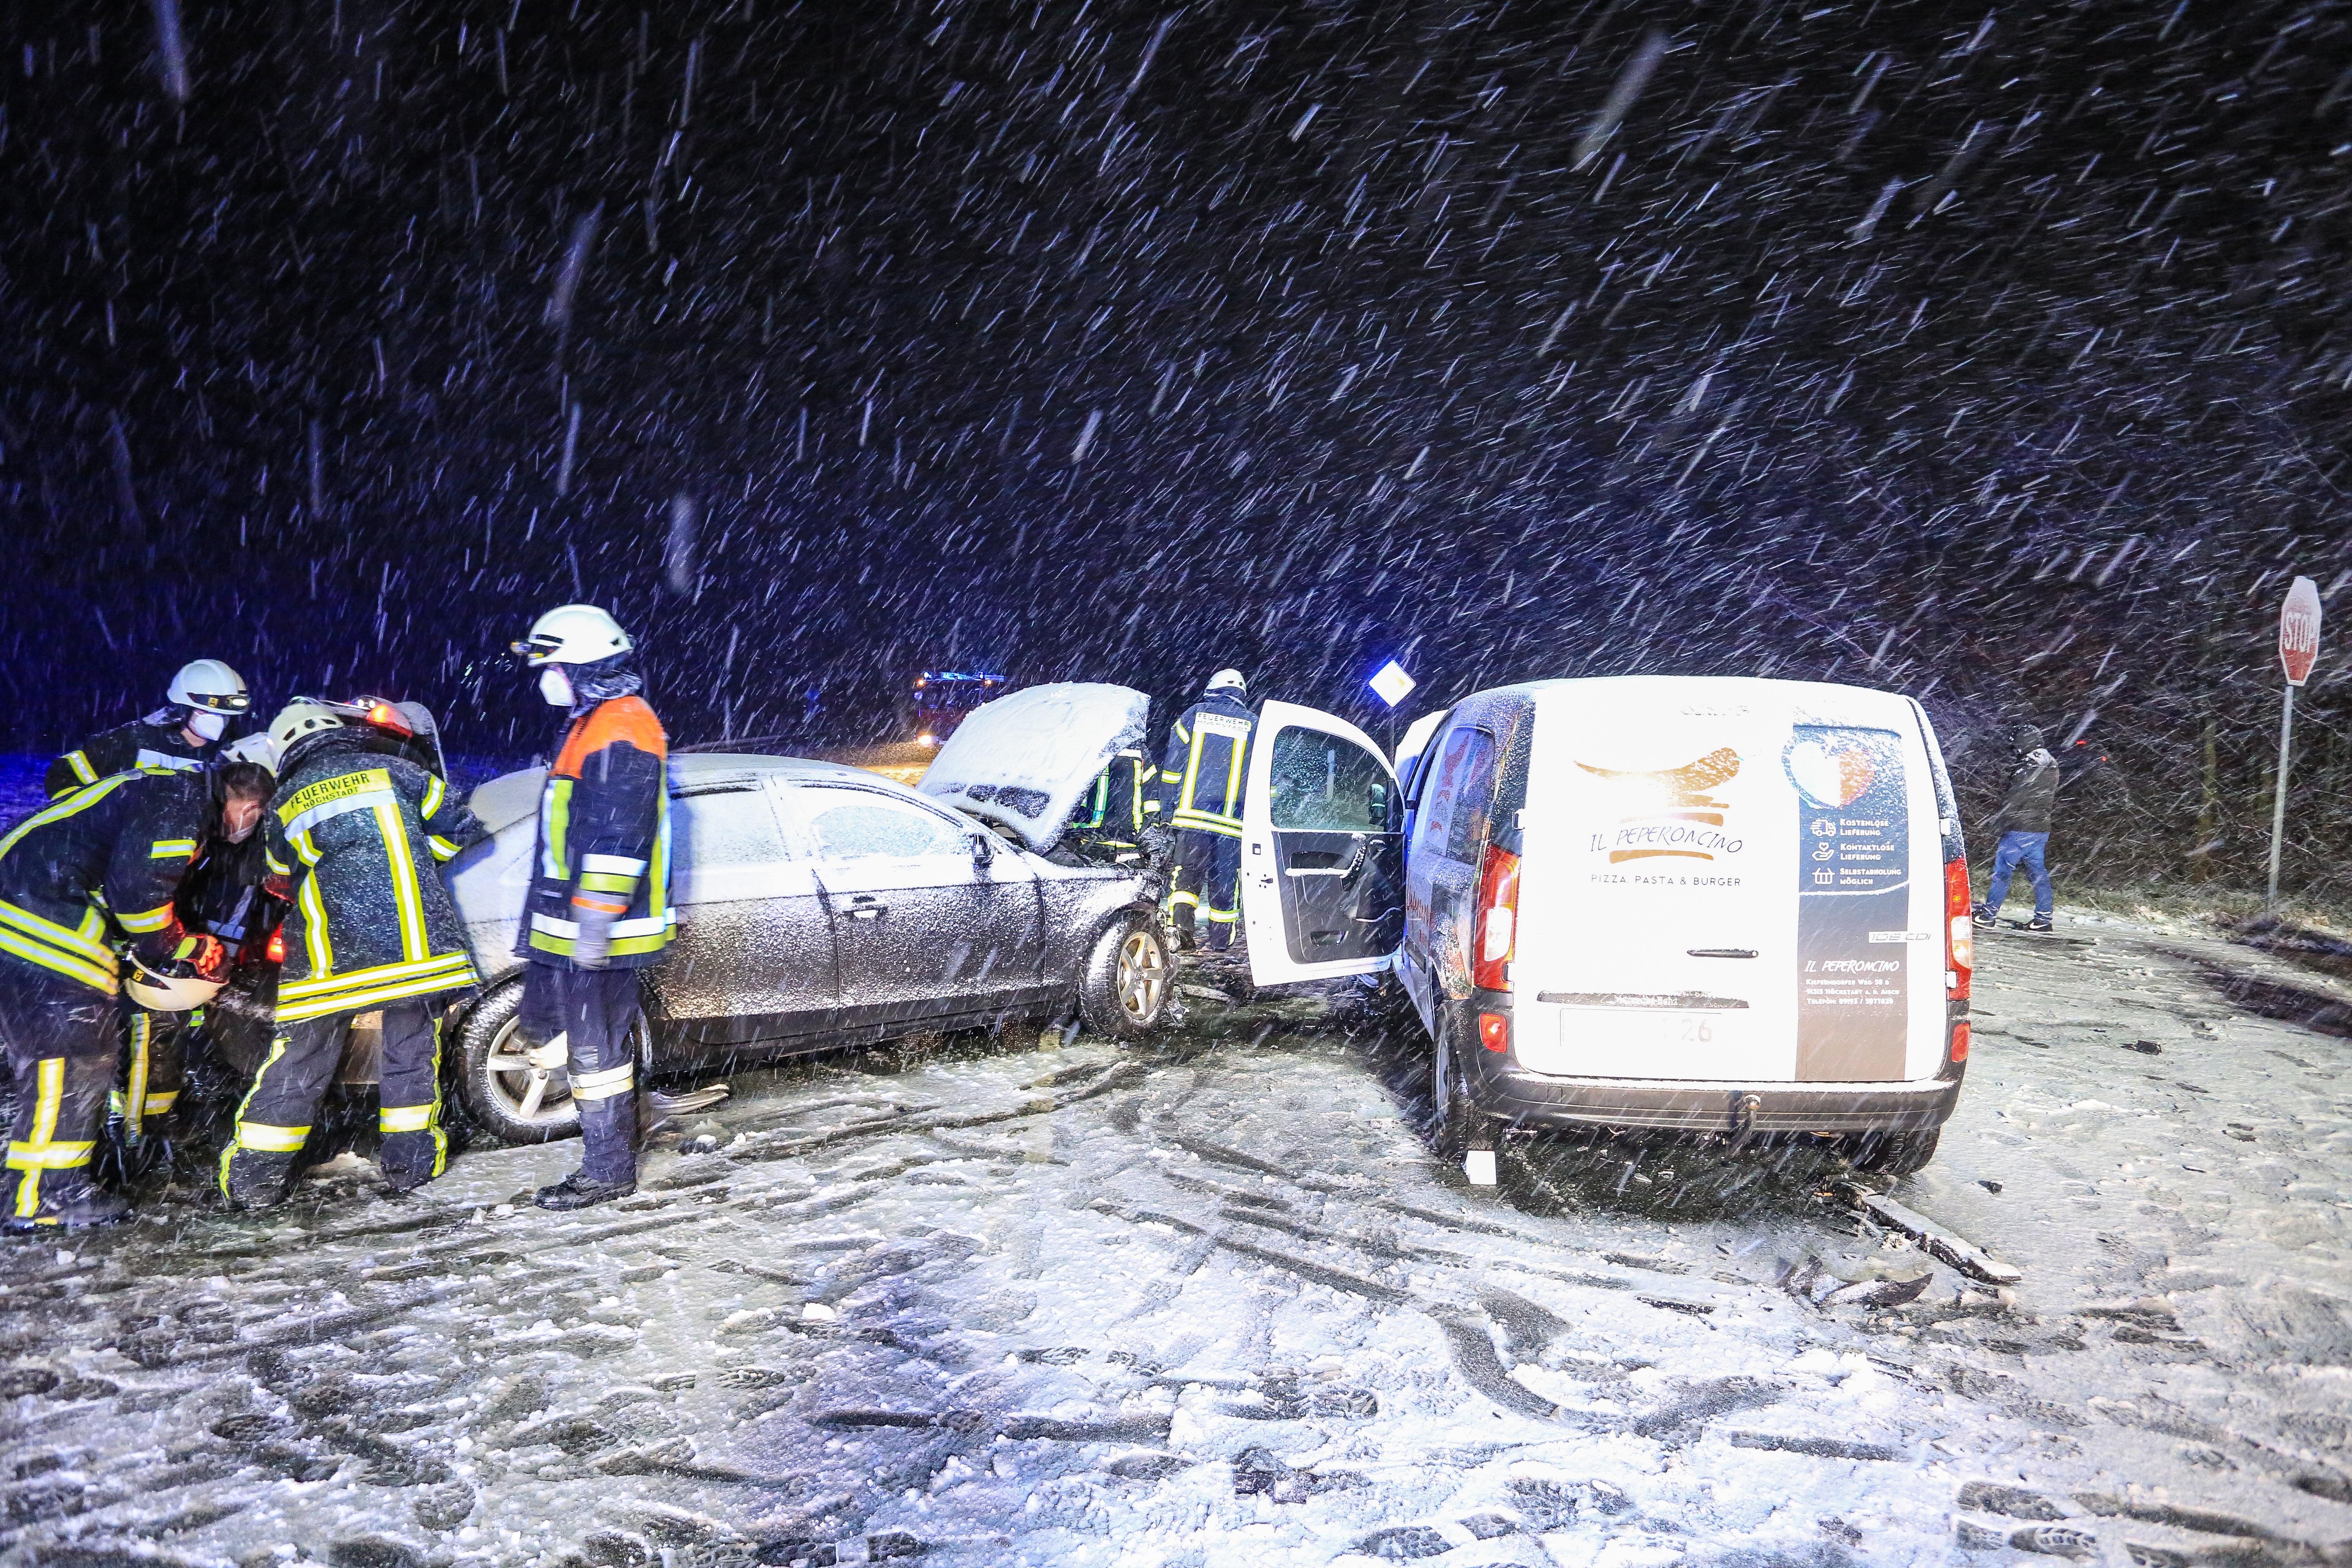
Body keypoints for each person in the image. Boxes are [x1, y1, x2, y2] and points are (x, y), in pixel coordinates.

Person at [216, 702, 487, 1210]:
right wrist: (418, 861)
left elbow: (279, 876)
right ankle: (410, 1167)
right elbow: (461, 827)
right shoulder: (400, 772)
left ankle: (255, 1180)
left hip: (326, 957)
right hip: (413, 949)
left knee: (298, 1061)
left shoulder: (285, 802)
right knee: (409, 1055)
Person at [0, 764, 222, 1230]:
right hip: (39, 914)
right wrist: (185, 946)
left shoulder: (166, 788)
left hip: (33, 901)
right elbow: (140, 898)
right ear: (245, 796)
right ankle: (44, 1195)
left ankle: (46, 1185)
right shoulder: (183, 802)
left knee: (69, 1055)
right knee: (72, 1052)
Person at [510, 605, 677, 1210]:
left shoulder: (622, 727)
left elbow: (618, 834)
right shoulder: (594, 723)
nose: (544, 677)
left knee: (596, 1055)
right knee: (556, 1040)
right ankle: (614, 1147)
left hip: (596, 930)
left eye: (551, 664)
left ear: (581, 666)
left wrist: (597, 918)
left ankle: (608, 1171)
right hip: (565, 926)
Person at [114, 754, 280, 1153]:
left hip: (201, 957)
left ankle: (160, 1121)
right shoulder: (198, 830)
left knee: (169, 1038)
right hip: (174, 954)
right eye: (252, 815)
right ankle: (136, 1136)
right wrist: (183, 946)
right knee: (152, 1033)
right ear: (251, 807)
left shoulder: (235, 838)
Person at [46, 659, 250, 799]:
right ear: (183, 708)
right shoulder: (134, 741)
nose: (219, 722)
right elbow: (64, 774)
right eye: (208, 713)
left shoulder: (234, 755)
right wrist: (86, 817)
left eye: (225, 715)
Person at [1157, 669, 1257, 952]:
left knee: (1186, 876)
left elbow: (1172, 771)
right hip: (1231, 823)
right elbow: (1265, 780)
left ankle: (1182, 933)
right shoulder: (1255, 725)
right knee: (1225, 881)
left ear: (1212, 688)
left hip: (1192, 818)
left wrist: (1167, 812)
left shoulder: (1192, 716)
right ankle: (1221, 942)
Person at [1975, 723, 2060, 933]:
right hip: (2041, 827)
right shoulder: (2051, 762)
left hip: (2020, 827)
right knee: (2039, 874)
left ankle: (1988, 915)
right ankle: (2043, 919)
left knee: (2003, 872)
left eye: (2016, 745)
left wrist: (1999, 820)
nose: (2015, 750)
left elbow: (2016, 796)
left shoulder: (2029, 765)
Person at [1070, 746, 1161, 865]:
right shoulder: (1089, 749)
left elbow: (1152, 797)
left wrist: (1151, 830)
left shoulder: (1139, 753)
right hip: (1091, 842)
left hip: (1126, 846)